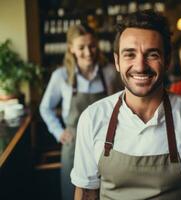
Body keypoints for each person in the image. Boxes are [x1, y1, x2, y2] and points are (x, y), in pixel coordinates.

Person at [71, 10, 181, 200]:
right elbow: (86, 192)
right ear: (117, 61)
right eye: (130, 54)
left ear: (167, 61)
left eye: (152, 54)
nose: (140, 66)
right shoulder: (93, 118)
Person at [39, 24, 118, 200]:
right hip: (73, 146)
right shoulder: (61, 76)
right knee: (73, 194)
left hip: (107, 145)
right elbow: (45, 108)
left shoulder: (110, 72)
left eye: (92, 46)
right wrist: (59, 132)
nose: (88, 52)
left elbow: (123, 104)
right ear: (71, 48)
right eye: (81, 47)